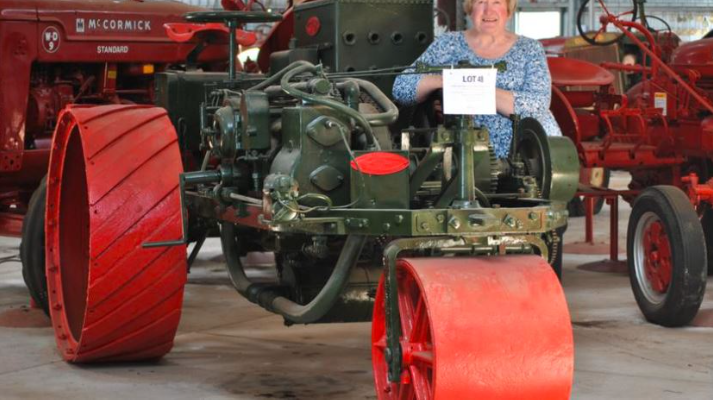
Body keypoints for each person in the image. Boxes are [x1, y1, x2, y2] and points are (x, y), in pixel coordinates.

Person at [392, 0, 562, 159]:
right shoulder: (448, 44)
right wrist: (445, 80)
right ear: (470, 8)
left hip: (530, 154)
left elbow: (537, 106)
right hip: (464, 154)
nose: (489, 10)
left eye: (497, 2)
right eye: (481, 1)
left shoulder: (530, 49)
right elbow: (402, 88)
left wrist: (473, 87)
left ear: (508, 10)